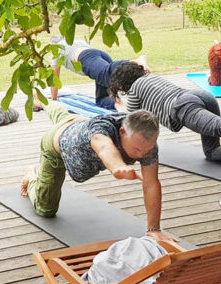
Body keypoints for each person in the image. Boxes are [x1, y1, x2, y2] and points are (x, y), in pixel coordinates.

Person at [20, 100, 173, 242]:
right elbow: (103, 146)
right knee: (45, 210)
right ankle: (31, 176)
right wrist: (117, 165)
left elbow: (151, 184)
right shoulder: (101, 129)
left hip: (77, 121)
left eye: (146, 151)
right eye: (137, 149)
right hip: (56, 148)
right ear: (122, 132)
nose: (141, 155)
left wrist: (154, 229)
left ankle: (45, 101)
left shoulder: (146, 144)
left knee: (62, 116)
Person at [109, 63, 221, 177]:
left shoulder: (134, 90)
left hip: (181, 105)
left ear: (122, 84)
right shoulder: (151, 78)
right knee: (211, 151)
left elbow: (130, 120)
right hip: (199, 95)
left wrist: (120, 109)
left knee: (215, 125)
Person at [50, 36, 150, 112]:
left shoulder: (56, 49)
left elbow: (54, 77)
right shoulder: (73, 40)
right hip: (99, 55)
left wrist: (54, 99)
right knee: (102, 99)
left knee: (107, 73)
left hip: (86, 57)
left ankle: (136, 61)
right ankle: (120, 105)